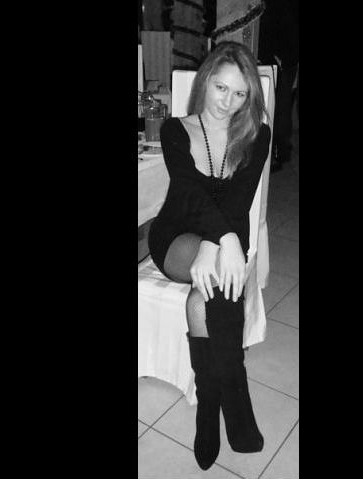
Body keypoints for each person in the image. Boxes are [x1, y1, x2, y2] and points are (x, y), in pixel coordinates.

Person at [148, 41, 271, 470]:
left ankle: (209, 407)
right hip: (175, 237)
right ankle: (236, 396)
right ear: (205, 81)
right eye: (221, 88)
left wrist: (219, 243)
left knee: (205, 298)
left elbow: (239, 199)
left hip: (226, 238)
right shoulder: (174, 129)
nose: (228, 102)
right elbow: (187, 191)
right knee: (219, 271)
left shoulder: (256, 133)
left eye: (240, 94)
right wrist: (215, 243)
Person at [258, 0, 299, 172]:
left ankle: (278, 152)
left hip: (280, 59)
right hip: (283, 58)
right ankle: (281, 151)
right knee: (282, 106)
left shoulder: (278, 6)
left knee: (279, 107)